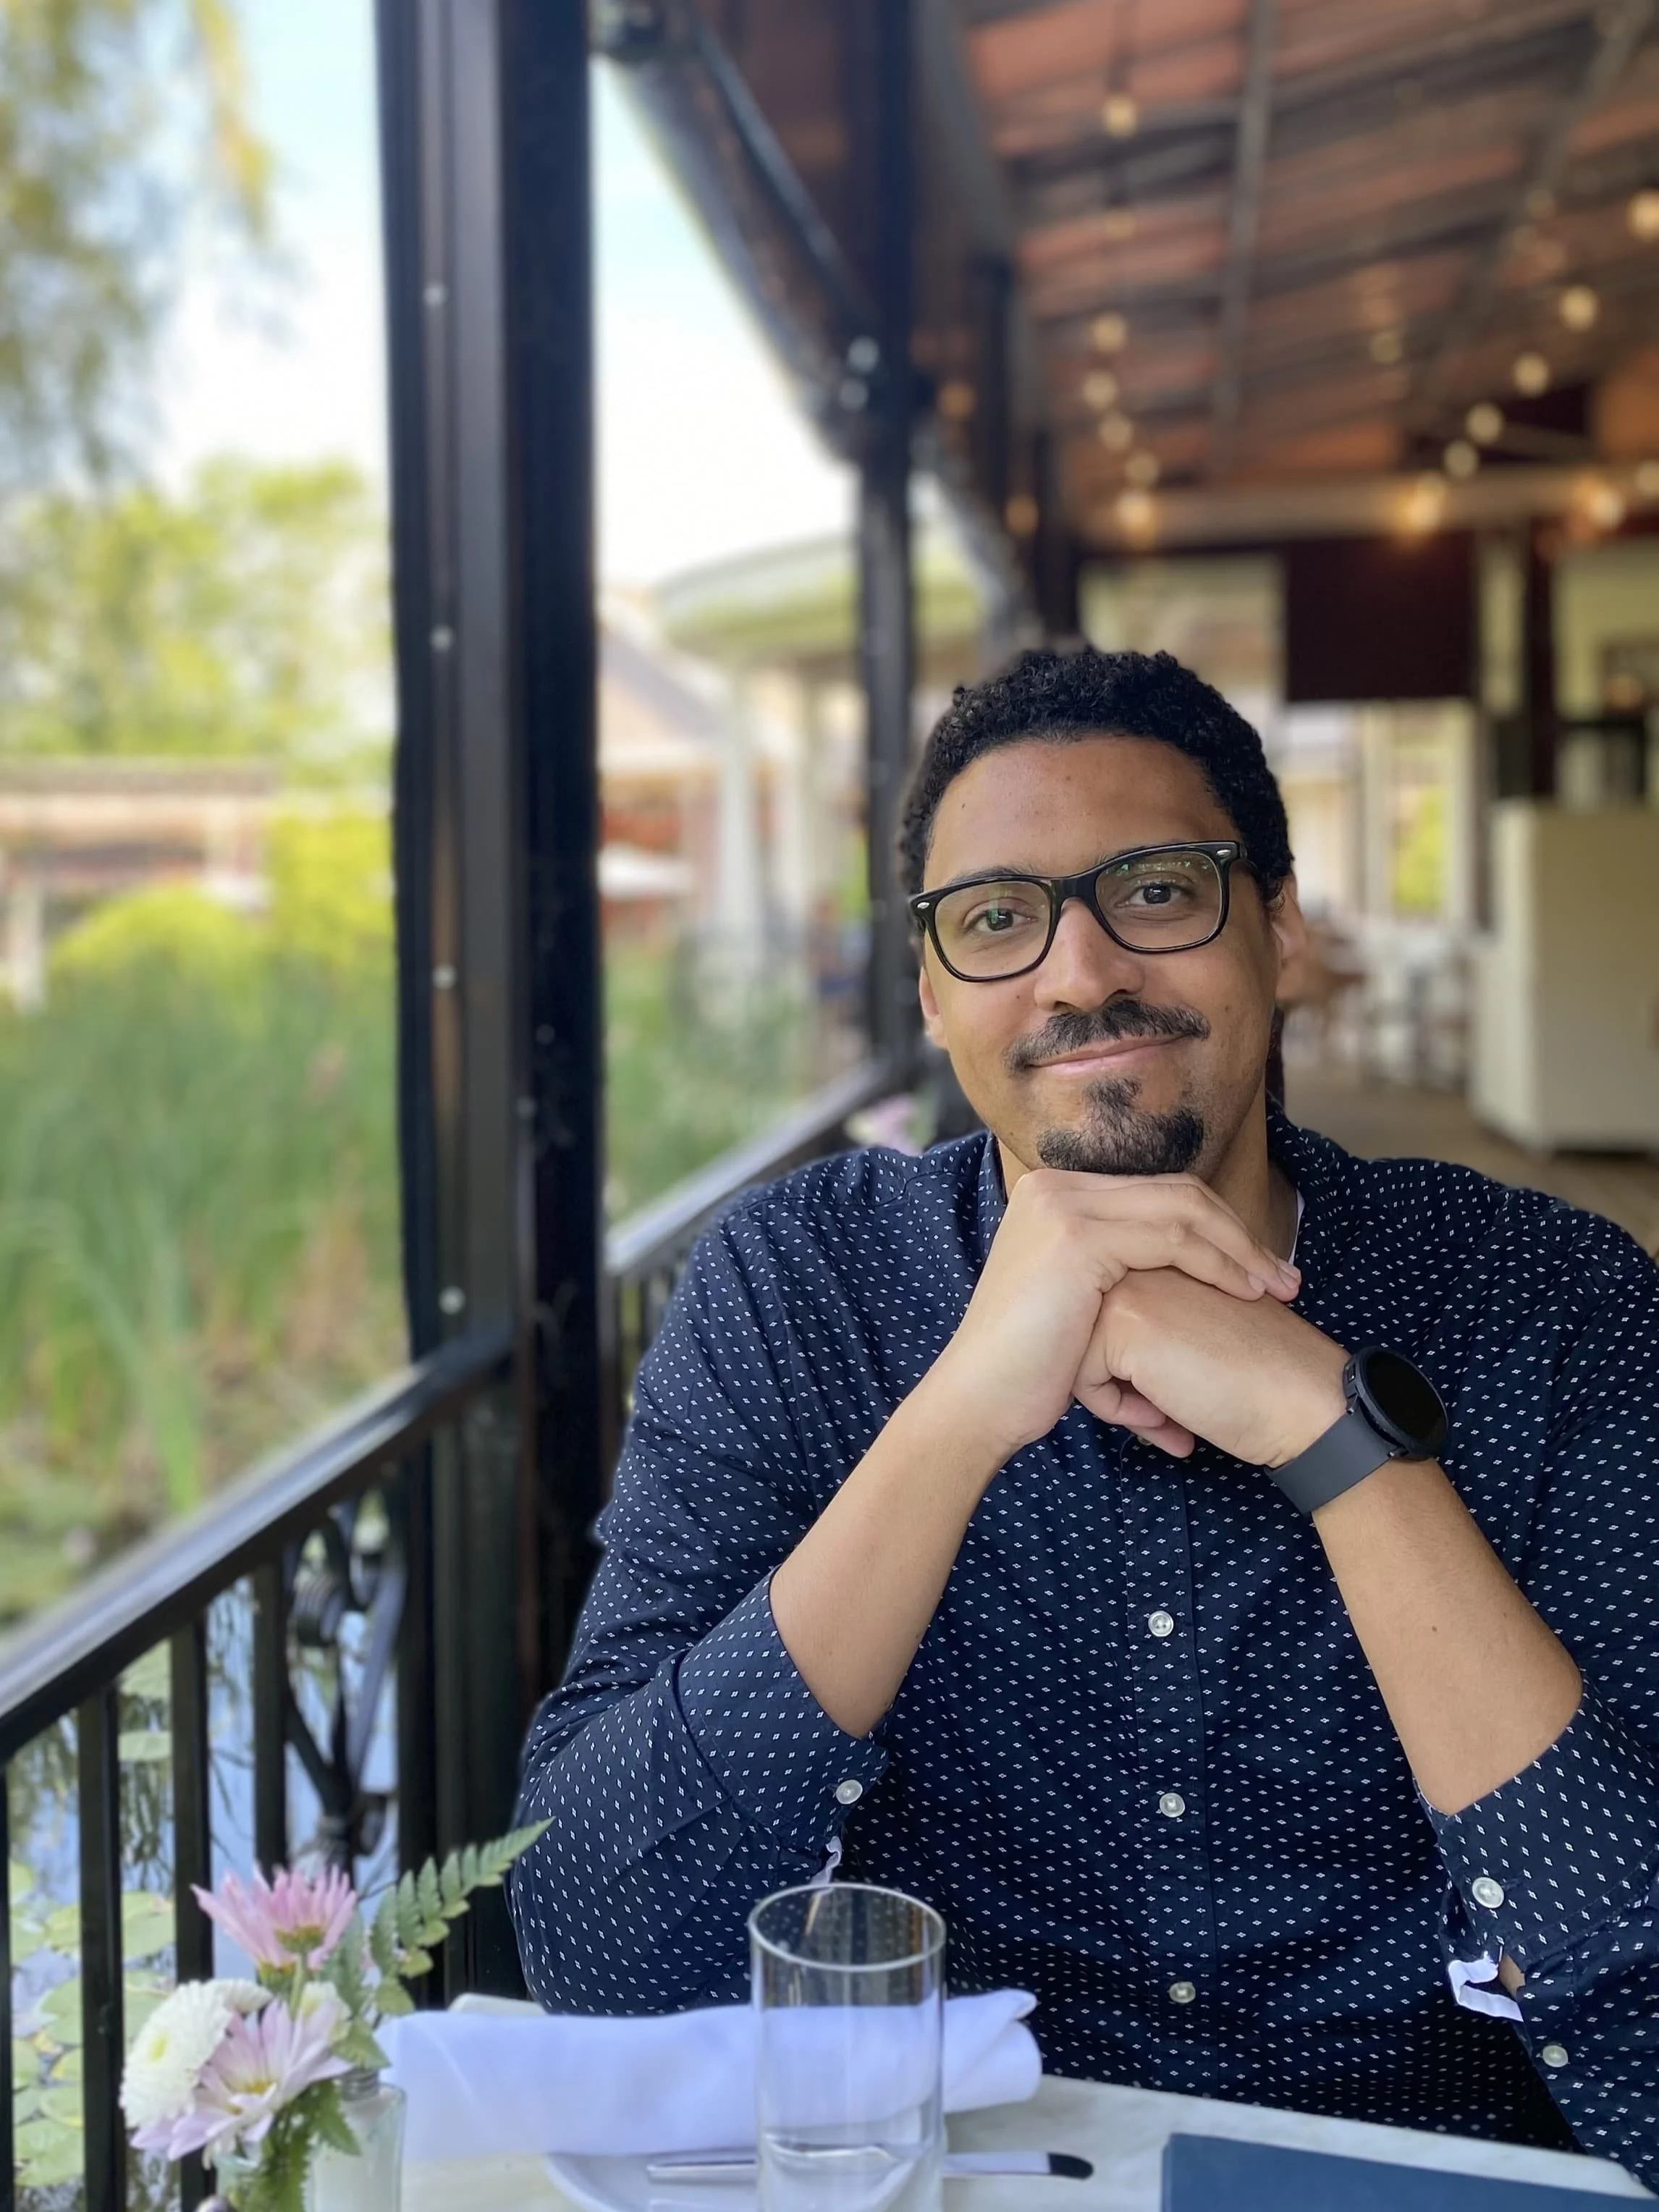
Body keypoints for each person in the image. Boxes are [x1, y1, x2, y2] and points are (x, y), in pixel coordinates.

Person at [508, 649, 1659, 2187]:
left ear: (1284, 931)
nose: (1078, 971)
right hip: (956, 2175)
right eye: (997, 920)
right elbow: (598, 1949)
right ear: (932, 995)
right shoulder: (797, 1293)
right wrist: (959, 1412)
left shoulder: (1550, 1301)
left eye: (1159, 892)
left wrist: (1334, 1430)